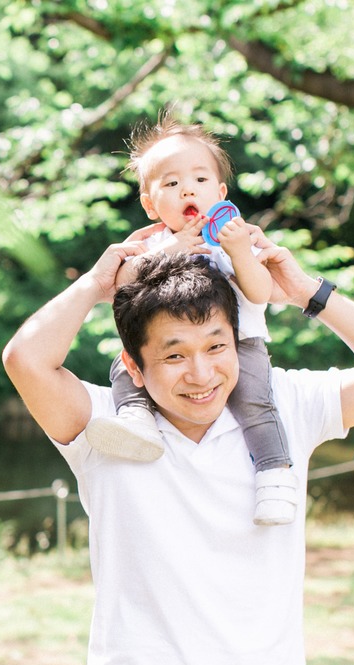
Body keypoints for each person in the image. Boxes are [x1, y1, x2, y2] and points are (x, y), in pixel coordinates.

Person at [1, 235, 354, 665]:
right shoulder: (106, 427)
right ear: (134, 368)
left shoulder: (282, 409)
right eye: (175, 355)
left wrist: (305, 291)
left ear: (240, 343)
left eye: (216, 346)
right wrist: (98, 284)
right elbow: (25, 359)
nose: (202, 374)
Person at [85, 116, 296, 526]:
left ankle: (274, 473)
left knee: (255, 401)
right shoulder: (153, 242)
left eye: (199, 180)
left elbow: (260, 292)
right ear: (150, 204)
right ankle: (136, 419)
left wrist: (238, 253)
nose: (187, 189)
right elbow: (123, 283)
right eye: (170, 183)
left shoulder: (233, 238)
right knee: (123, 366)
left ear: (219, 193)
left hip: (239, 343)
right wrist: (171, 250)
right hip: (168, 349)